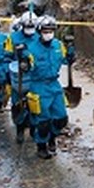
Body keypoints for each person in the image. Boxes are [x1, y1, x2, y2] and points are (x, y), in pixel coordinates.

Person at [21, 15, 75, 159]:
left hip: (54, 85)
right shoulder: (31, 48)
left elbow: (65, 60)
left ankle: (52, 136)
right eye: (45, 30)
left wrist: (70, 54)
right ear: (39, 31)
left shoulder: (58, 45)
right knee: (43, 121)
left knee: (61, 118)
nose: (48, 33)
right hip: (38, 86)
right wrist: (25, 63)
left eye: (51, 30)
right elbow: (28, 64)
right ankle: (41, 145)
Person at [5, 12, 37, 143]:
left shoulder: (39, 37)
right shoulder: (13, 38)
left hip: (34, 76)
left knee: (34, 105)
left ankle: (34, 128)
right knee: (18, 103)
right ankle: (20, 129)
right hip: (18, 76)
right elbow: (6, 56)